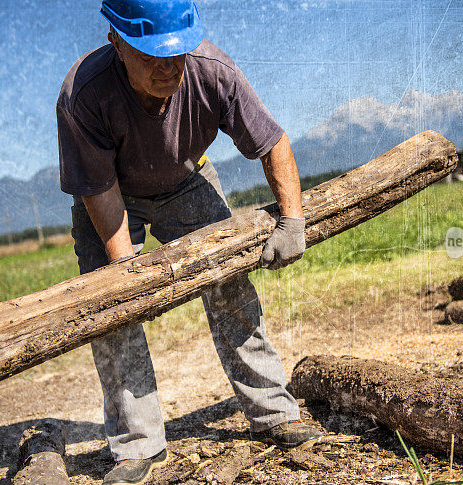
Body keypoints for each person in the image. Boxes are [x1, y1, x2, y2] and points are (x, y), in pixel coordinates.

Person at [57, 1, 323, 483]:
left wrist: (293, 220)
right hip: (112, 192)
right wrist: (129, 279)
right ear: (117, 42)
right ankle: (138, 445)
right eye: (151, 55)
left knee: (231, 287)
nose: (167, 68)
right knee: (112, 309)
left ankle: (273, 413)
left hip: (188, 179)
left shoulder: (213, 71)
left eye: (176, 53)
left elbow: (272, 142)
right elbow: (97, 189)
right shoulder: (84, 94)